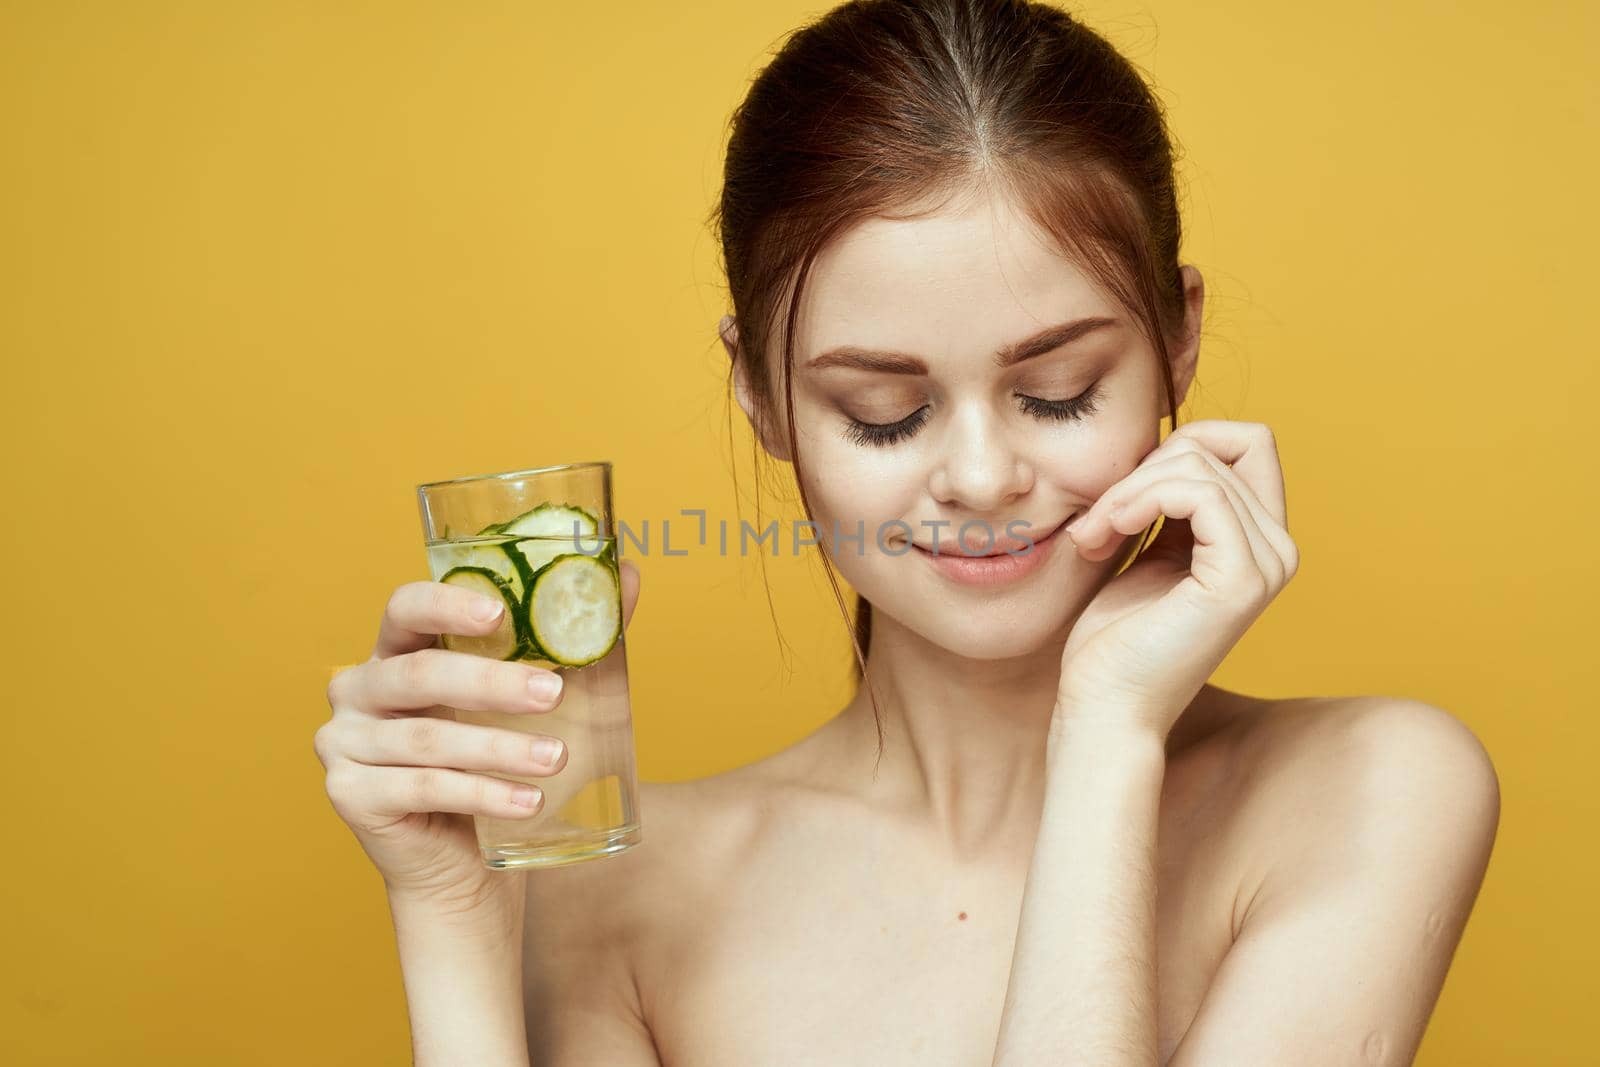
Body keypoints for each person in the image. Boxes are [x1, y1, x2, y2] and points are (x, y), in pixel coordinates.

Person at [316, 1, 1501, 1063]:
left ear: (1177, 338)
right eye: (885, 412)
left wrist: (1104, 732)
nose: (981, 477)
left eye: (1058, 392)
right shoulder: (618, 893)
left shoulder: (1371, 792)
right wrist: (452, 914)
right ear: (766, 399)